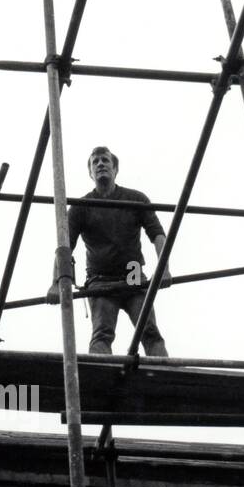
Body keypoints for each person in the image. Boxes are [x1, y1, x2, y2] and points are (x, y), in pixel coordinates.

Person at [47, 145, 171, 356]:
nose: (100, 164)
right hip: (100, 279)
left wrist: (164, 270)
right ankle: (100, 377)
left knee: (149, 331)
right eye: (95, 162)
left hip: (133, 275)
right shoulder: (80, 207)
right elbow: (64, 246)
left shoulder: (135, 199)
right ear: (90, 173)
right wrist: (56, 283)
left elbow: (158, 235)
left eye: (105, 160)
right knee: (102, 334)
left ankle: (166, 374)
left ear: (115, 169)